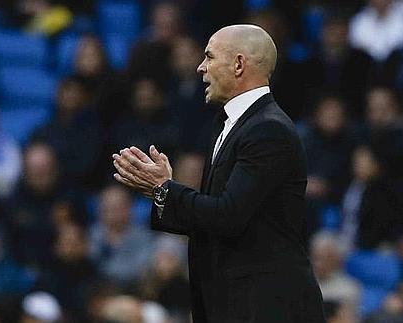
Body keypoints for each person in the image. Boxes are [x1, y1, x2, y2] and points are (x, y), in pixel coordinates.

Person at [112, 24, 326, 322]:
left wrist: (165, 188)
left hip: (267, 307)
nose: (201, 68)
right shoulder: (230, 125)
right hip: (234, 303)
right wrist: (163, 191)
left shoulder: (268, 130)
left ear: (239, 64)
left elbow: (228, 216)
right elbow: (213, 218)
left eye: (209, 57)